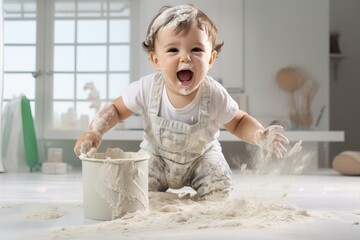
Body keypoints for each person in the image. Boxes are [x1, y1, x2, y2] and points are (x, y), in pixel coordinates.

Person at [74, 4, 289, 200]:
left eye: (196, 49)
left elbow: (238, 122)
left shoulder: (214, 94)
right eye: (173, 50)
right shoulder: (147, 88)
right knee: (135, 188)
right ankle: (161, 203)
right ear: (156, 60)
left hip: (202, 157)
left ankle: (201, 208)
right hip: (156, 156)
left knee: (220, 188)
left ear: (211, 59)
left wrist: (260, 135)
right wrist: (95, 131)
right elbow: (116, 109)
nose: (185, 57)